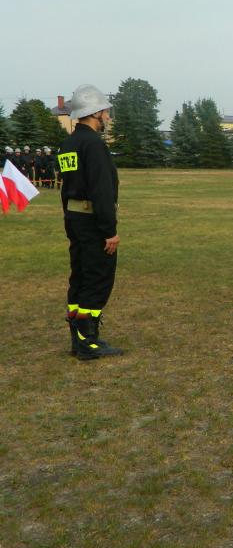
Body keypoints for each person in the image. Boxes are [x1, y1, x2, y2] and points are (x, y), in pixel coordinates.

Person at [58, 84, 123, 359]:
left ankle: (78, 339)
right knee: (97, 278)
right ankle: (88, 341)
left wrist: (69, 219)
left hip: (75, 219)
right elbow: (101, 190)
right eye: (105, 112)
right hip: (93, 221)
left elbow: (66, 186)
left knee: (80, 276)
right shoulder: (94, 144)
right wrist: (110, 231)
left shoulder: (69, 144)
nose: (107, 116)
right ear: (95, 113)